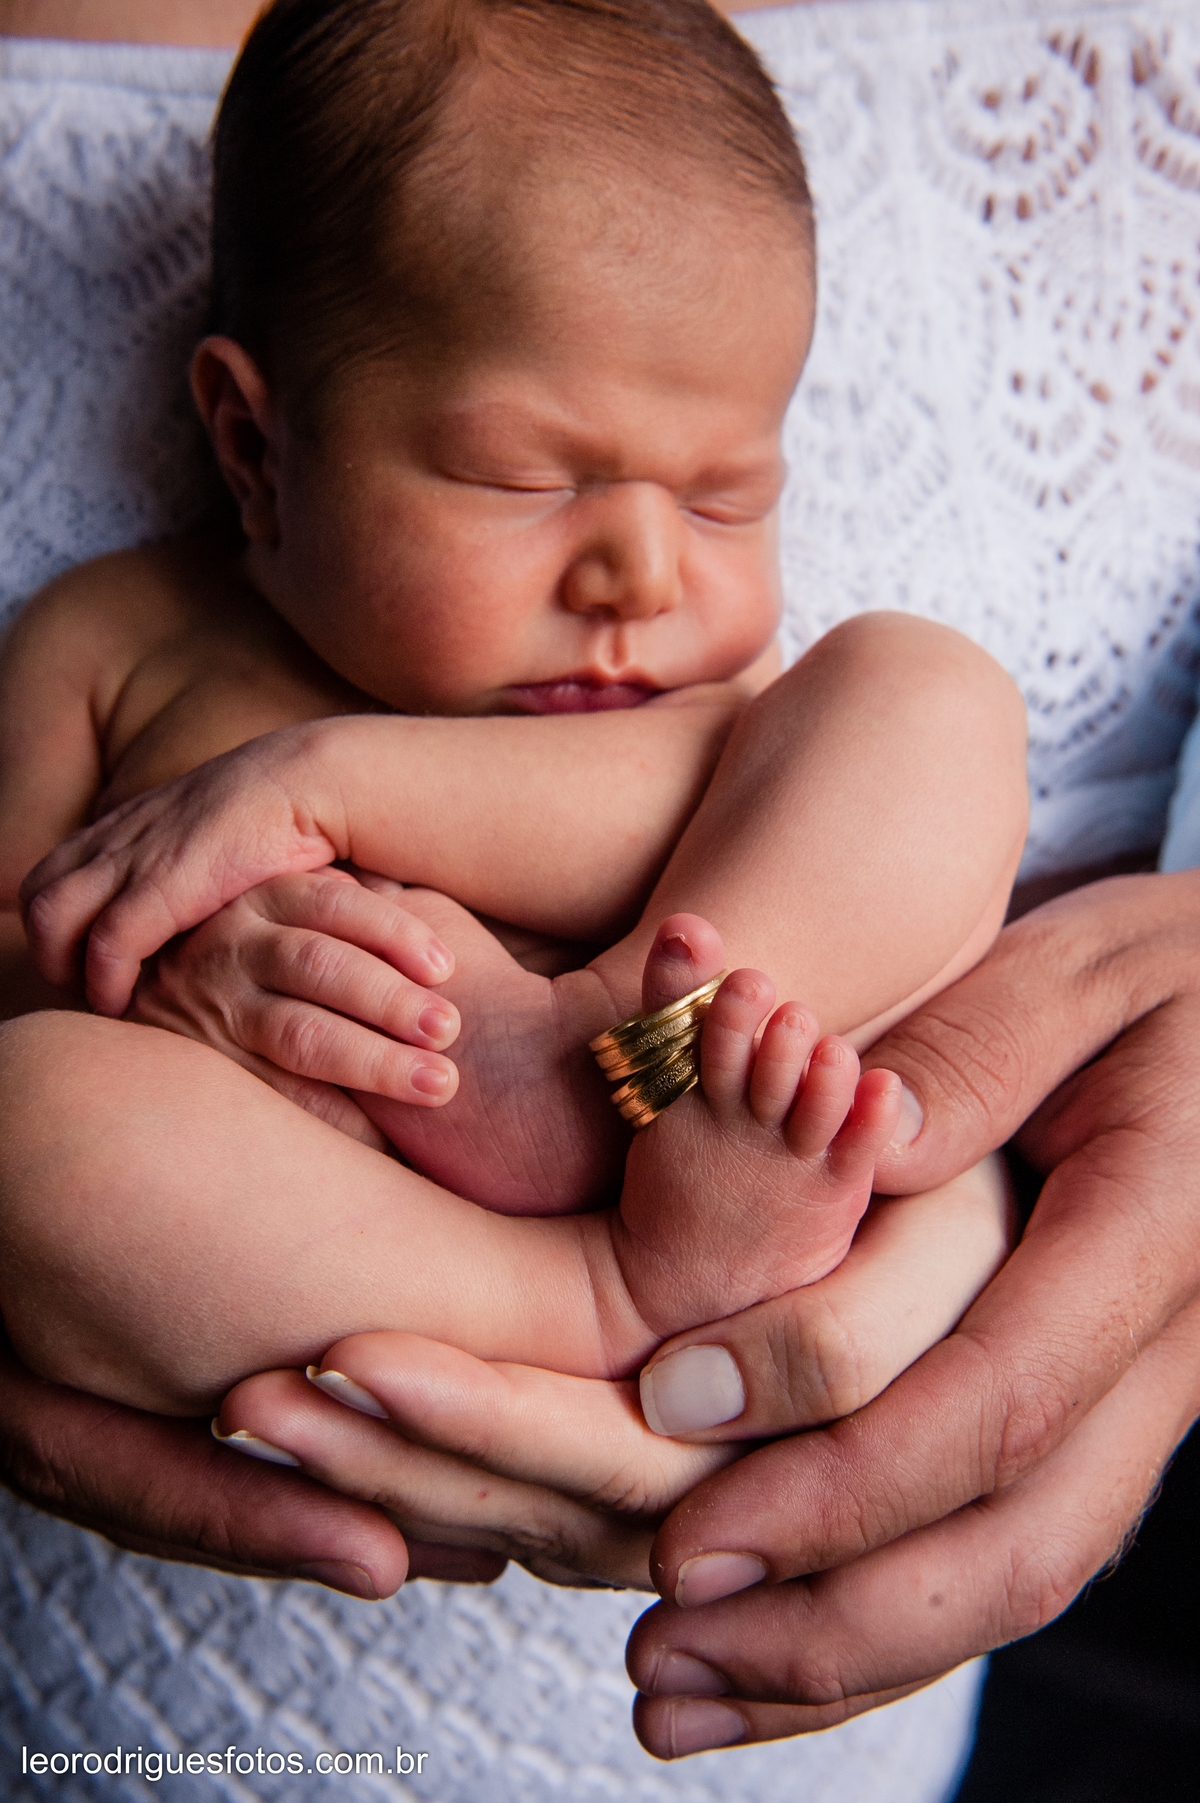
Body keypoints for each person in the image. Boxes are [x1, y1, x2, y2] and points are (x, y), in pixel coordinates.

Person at [2, 0, 1199, 1793]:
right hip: (348, 1220)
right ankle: (597, 1290)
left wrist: (327, 784)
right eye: (524, 479)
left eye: (730, 496)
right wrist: (139, 977)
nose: (640, 572)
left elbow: (726, 799)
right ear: (254, 446)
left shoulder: (677, 707)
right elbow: (20, 931)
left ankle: (592, 1057)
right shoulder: (115, 642)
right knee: (26, 1131)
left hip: (689, 1053)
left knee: (923, 695)